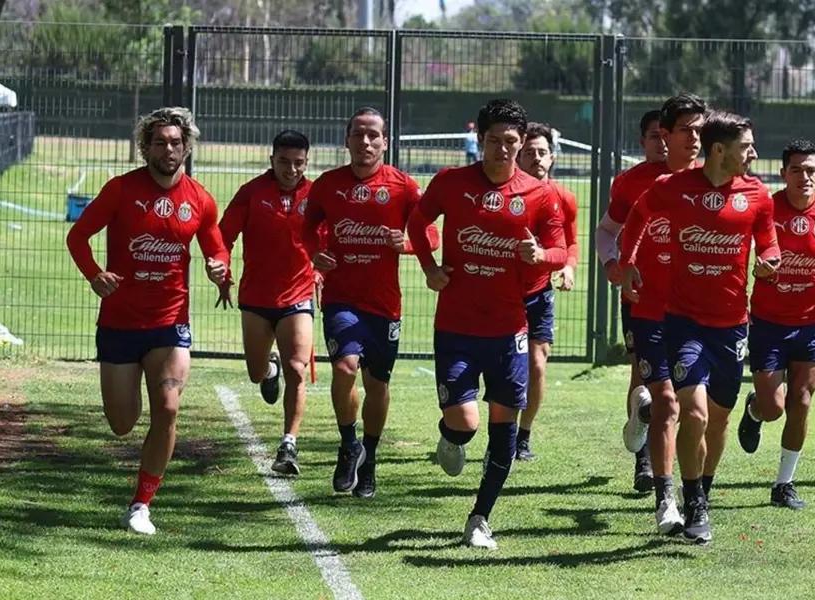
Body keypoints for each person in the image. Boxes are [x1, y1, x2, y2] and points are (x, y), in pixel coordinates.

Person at [407, 99, 567, 550]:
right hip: (456, 326)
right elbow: (418, 222)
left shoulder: (539, 194)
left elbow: (560, 250)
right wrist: (429, 267)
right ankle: (450, 436)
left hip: (509, 328)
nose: (502, 150)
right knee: (464, 421)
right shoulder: (451, 182)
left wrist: (541, 256)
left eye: (511, 142)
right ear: (480, 139)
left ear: (522, 143)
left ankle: (480, 517)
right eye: (493, 141)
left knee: (504, 427)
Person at [66, 107, 229, 535]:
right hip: (120, 323)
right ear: (146, 147)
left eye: (176, 142)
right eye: (161, 142)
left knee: (169, 407)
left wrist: (219, 266)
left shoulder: (200, 198)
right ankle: (134, 409)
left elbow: (217, 246)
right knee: (122, 423)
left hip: (169, 322)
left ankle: (141, 504)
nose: (169, 149)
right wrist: (95, 275)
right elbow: (77, 235)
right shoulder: (121, 190)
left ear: (187, 146)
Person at [621, 111, 779, 545]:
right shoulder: (673, 188)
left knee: (718, 422)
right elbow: (637, 217)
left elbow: (770, 246)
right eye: (746, 146)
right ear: (719, 150)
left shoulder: (758, 195)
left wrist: (769, 266)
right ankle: (692, 503)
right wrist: (628, 261)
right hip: (682, 322)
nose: (753, 153)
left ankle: (702, 489)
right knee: (693, 411)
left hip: (732, 327)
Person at [302, 107, 438, 499]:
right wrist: (315, 253)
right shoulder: (327, 185)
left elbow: (432, 234)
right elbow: (308, 227)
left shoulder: (403, 186)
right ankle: (349, 444)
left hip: (384, 305)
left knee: (377, 384)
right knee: (344, 369)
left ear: (384, 141)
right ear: (346, 140)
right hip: (342, 299)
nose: (365, 141)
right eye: (358, 134)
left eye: (373, 135)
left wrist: (409, 244)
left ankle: (370, 459)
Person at [594, 99, 703, 497]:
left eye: (667, 135)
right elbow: (606, 232)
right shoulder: (632, 182)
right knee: (646, 381)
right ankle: (646, 462)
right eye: (656, 136)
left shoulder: (710, 179)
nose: (663, 143)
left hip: (695, 307)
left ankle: (685, 475)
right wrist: (613, 265)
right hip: (642, 300)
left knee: (687, 394)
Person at [737, 139, 815, 510]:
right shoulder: (765, 208)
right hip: (768, 322)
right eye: (796, 170)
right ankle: (755, 409)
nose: (805, 176)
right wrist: (758, 269)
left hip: (811, 323)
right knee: (775, 408)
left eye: (811, 170)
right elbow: (742, 252)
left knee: (801, 400)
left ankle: (783, 484)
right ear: (784, 173)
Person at [217, 129, 315, 476]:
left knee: (298, 369)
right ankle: (268, 371)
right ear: (271, 159)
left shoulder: (315, 194)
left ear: (307, 162)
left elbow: (331, 238)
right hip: (256, 298)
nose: (291, 170)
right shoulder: (252, 193)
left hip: (298, 295)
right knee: (256, 371)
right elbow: (222, 236)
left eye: (299, 163)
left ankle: (289, 444)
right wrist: (221, 268)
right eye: (284, 162)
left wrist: (323, 269)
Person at [514, 122, 579, 461]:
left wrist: (567, 267)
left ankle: (523, 436)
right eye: (529, 153)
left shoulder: (564, 197)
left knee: (538, 365)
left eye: (542, 152)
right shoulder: (508, 194)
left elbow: (571, 243)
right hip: (503, 293)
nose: (536, 158)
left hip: (540, 293)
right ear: (517, 156)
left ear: (552, 157)